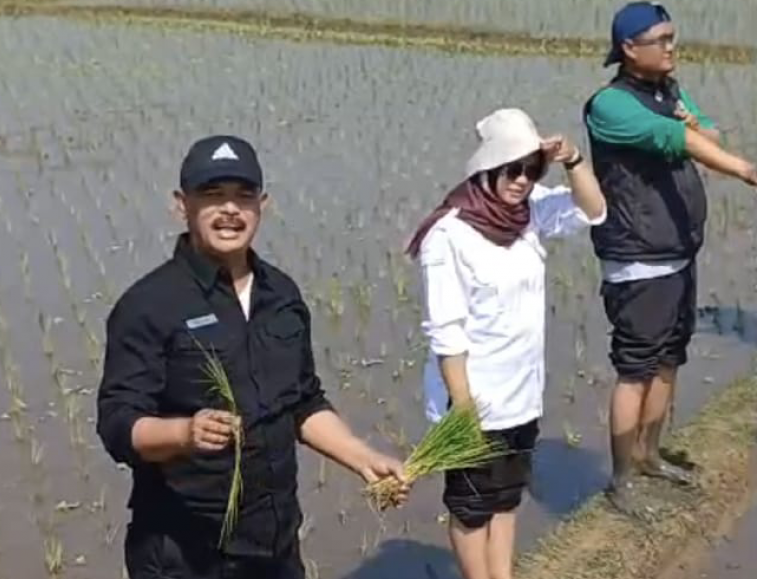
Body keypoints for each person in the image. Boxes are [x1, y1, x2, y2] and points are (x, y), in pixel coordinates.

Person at [96, 134, 407, 579]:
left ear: (263, 205)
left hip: (274, 544)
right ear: (181, 205)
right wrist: (185, 432)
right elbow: (117, 425)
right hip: (185, 553)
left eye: (243, 196)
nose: (229, 210)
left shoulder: (281, 295)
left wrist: (362, 459)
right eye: (212, 195)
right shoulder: (148, 305)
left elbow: (303, 402)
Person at [406, 108, 606, 579]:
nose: (521, 180)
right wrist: (464, 408)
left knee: (507, 497)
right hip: (472, 399)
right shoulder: (449, 235)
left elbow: (592, 210)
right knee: (472, 508)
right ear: (485, 169)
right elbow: (446, 329)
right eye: (510, 169)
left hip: (522, 392)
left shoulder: (529, 212)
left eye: (530, 169)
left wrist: (574, 159)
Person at [584, 1, 757, 516]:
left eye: (673, 38)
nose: (672, 48)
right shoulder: (609, 105)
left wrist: (691, 119)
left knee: (667, 362)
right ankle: (621, 477)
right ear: (629, 49)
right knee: (635, 369)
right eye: (661, 40)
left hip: (678, 252)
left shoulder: (669, 90)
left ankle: (650, 455)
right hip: (639, 260)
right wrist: (748, 172)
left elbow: (707, 133)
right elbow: (675, 137)